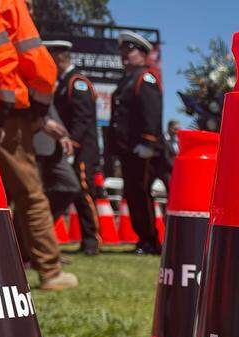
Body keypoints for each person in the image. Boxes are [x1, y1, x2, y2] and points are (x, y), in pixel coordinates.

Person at [0, 0, 77, 289]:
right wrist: (39, 112)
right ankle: (50, 271)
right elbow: (39, 65)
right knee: (30, 193)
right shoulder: (6, 3)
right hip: (5, 110)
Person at [109, 30, 164, 255]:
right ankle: (143, 239)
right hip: (129, 150)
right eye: (123, 51)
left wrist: (148, 143)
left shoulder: (145, 77)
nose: (125, 55)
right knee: (133, 195)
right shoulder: (127, 79)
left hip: (143, 150)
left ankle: (151, 240)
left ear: (142, 53)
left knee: (141, 194)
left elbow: (152, 112)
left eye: (129, 50)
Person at [46, 39, 102, 255]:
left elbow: (82, 119)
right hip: (68, 148)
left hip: (82, 150)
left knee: (85, 194)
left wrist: (73, 146)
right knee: (73, 192)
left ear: (59, 58)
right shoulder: (62, 82)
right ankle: (87, 241)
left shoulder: (77, 82)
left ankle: (92, 241)